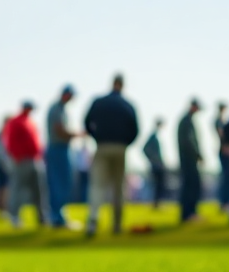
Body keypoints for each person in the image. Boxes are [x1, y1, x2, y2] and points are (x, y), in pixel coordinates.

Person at [83, 74, 139, 237]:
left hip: (102, 146)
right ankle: (117, 224)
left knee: (97, 186)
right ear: (122, 85)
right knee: (118, 187)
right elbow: (135, 130)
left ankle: (93, 220)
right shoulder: (127, 105)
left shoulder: (99, 102)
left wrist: (97, 137)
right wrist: (125, 142)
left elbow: (87, 122)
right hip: (120, 148)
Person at [3, 100, 46, 229]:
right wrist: (17, 157)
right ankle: (15, 217)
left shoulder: (30, 122)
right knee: (18, 190)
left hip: (35, 159)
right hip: (21, 161)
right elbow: (10, 142)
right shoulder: (15, 122)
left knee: (39, 190)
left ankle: (41, 217)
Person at [44, 85, 80, 228]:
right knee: (58, 183)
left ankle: (58, 215)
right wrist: (77, 134)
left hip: (62, 149)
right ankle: (56, 217)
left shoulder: (62, 109)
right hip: (57, 149)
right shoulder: (56, 109)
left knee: (64, 183)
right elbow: (59, 130)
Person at [176, 99, 203, 223]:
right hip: (188, 159)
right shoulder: (186, 121)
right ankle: (188, 214)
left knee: (191, 185)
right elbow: (189, 141)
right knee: (190, 186)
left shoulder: (187, 120)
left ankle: (189, 213)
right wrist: (197, 154)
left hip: (188, 158)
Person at [214, 102, 229, 213]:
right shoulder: (219, 120)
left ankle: (226, 202)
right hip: (224, 151)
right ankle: (224, 203)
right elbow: (222, 135)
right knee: (227, 177)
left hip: (226, 151)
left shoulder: (221, 120)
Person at [142, 119, 166, 208]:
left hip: (157, 165)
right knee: (157, 185)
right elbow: (144, 149)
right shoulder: (153, 136)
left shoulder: (155, 136)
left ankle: (157, 204)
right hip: (156, 166)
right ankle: (156, 204)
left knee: (159, 185)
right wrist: (153, 160)